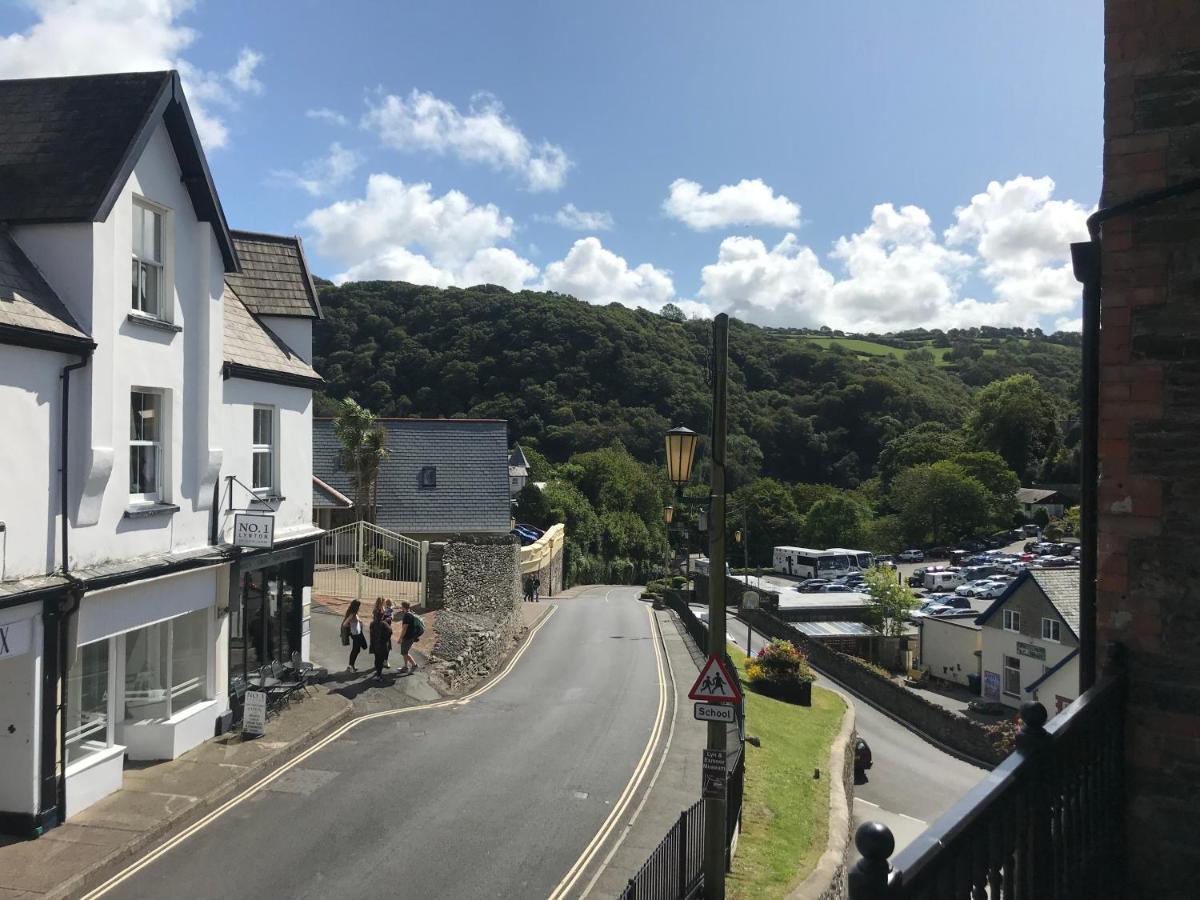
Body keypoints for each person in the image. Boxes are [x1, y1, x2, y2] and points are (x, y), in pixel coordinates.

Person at [396, 600, 423, 673]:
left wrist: (400, 638)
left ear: (403, 607)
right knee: (405, 652)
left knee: (404, 652)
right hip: (411, 636)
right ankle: (406, 667)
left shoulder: (406, 615)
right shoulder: (410, 613)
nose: (401, 607)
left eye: (401, 606)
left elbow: (405, 628)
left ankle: (413, 665)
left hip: (408, 637)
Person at [368, 603, 392, 682]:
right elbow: (390, 632)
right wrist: (385, 640)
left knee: (376, 659)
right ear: (382, 616)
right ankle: (379, 675)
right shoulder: (384, 624)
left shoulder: (372, 624)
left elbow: (371, 634)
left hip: (374, 644)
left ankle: (377, 671)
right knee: (381, 660)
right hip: (382, 645)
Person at [342, 600, 366, 671]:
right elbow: (345, 624)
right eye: (359, 606)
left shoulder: (354, 613)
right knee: (355, 650)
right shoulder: (352, 614)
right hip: (355, 634)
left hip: (358, 633)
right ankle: (351, 666)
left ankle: (351, 665)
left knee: (357, 650)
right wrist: (350, 627)